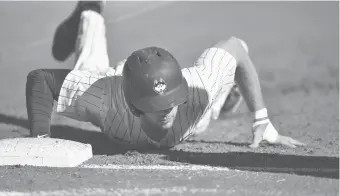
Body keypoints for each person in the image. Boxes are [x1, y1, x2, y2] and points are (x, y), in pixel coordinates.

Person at [25, 1, 305, 149]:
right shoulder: (103, 97)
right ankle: (90, 10)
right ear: (133, 106)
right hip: (110, 83)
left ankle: (228, 90)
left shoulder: (197, 87)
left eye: (172, 99)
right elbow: (41, 79)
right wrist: (40, 141)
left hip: (198, 111)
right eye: (157, 106)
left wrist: (262, 120)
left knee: (227, 69)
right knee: (88, 71)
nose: (168, 109)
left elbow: (236, 48)